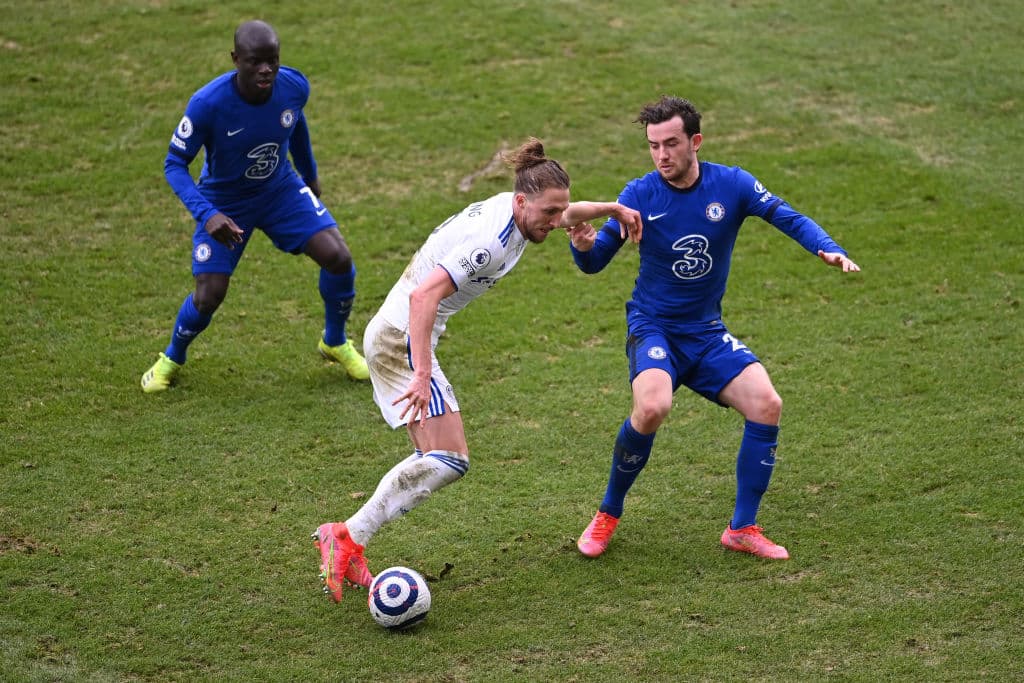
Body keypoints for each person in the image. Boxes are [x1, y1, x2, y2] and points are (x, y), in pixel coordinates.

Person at [311, 138, 642, 602]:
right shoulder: (489, 242)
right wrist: (422, 372)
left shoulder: (522, 210)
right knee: (450, 458)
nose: (557, 222)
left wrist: (612, 209)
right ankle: (345, 534)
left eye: (560, 211)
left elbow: (567, 211)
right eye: (549, 213)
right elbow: (425, 296)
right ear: (522, 202)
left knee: (437, 457)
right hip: (401, 339)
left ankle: (350, 538)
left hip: (399, 333)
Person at [568, 96, 860, 561]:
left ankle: (742, 527)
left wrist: (825, 248)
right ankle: (607, 513)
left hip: (704, 333)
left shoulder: (733, 184)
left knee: (767, 404)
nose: (662, 155)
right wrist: (583, 247)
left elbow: (787, 216)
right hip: (654, 327)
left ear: (695, 141)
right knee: (653, 406)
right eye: (652, 146)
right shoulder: (639, 195)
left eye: (671, 144)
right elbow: (595, 261)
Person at [141, 20, 368, 393]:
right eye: (255, 62)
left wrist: (310, 178)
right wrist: (208, 213)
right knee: (210, 293)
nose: (266, 70)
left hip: (279, 189)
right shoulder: (207, 105)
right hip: (224, 202)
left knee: (338, 257)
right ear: (235, 60)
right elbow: (174, 165)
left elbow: (295, 124)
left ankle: (335, 341)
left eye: (272, 61)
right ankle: (172, 357)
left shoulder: (294, 86)